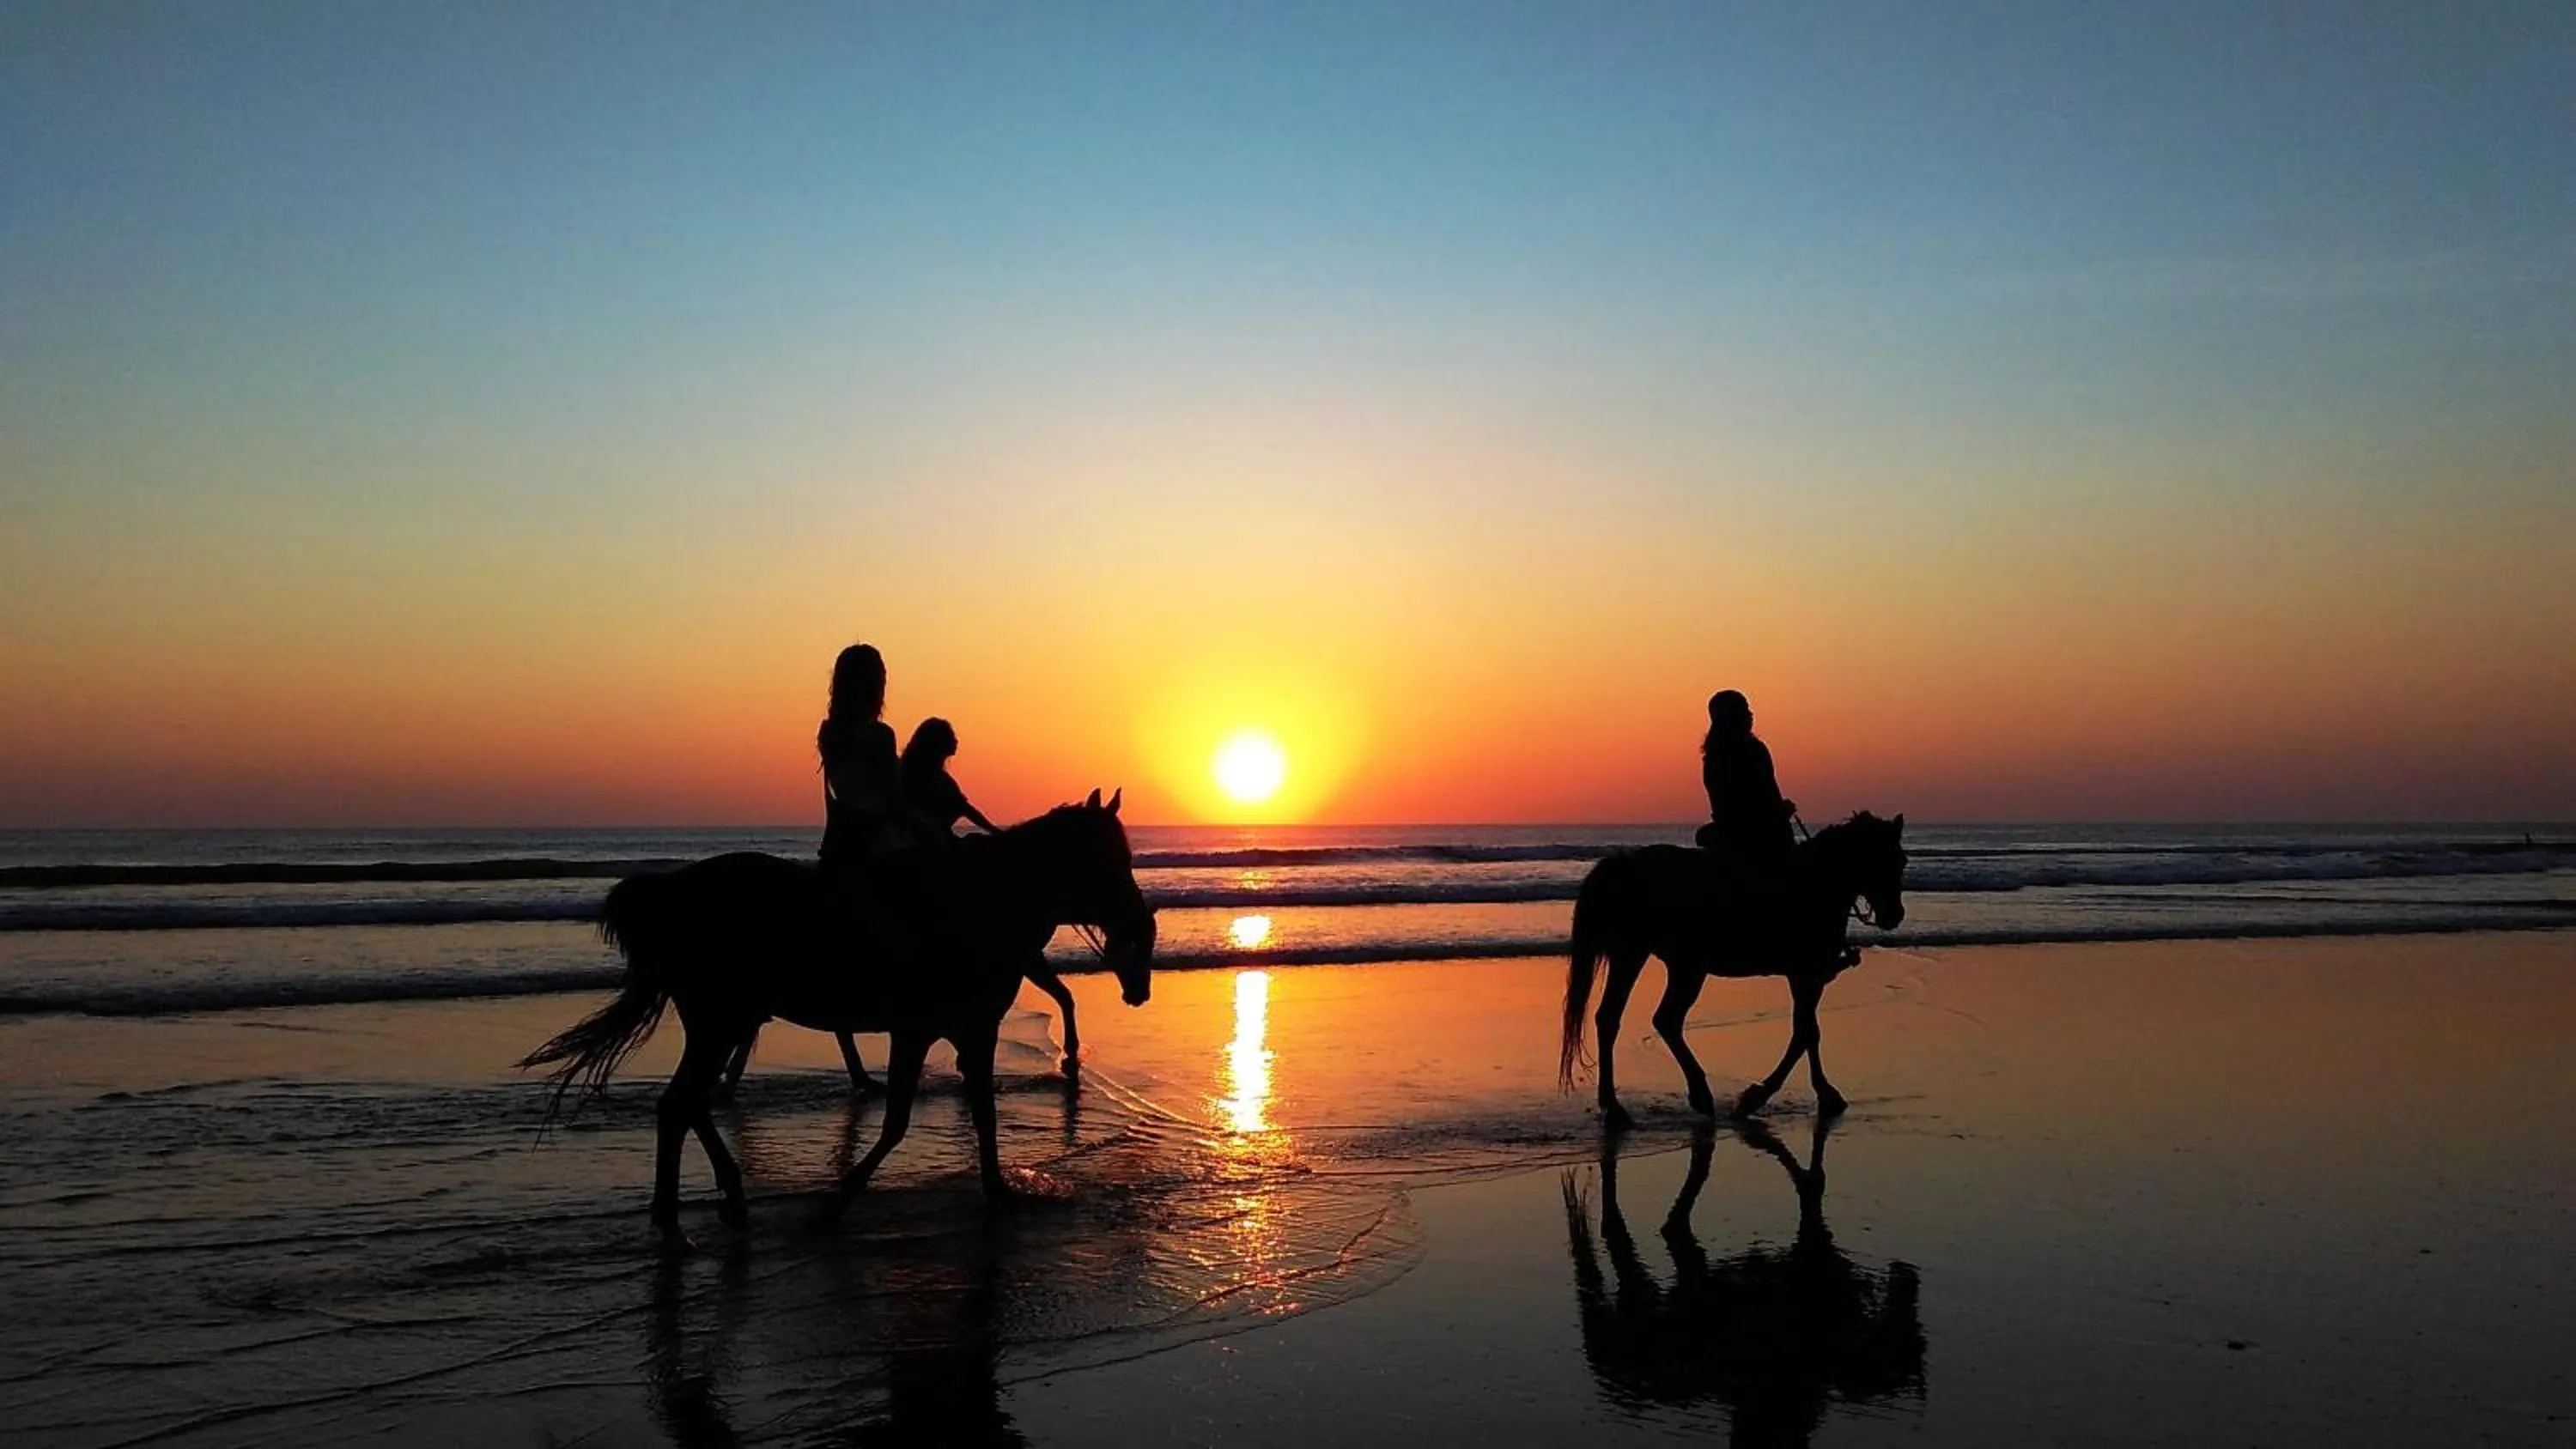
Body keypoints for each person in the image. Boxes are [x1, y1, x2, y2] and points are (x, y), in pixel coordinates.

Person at [817, 645, 908, 871]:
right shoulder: (881, 735)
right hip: (878, 850)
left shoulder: (828, 732)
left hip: (836, 848)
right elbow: (895, 802)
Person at [1694, 689, 1796, 876]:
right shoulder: (1752, 750)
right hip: (1755, 834)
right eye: (1744, 710)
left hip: (1729, 833)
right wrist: (1782, 811)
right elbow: (1763, 797)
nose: (1751, 715)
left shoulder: (1713, 755)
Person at [901, 718, 1000, 841]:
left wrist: (994, 831)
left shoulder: (940, 777)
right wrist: (995, 831)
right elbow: (965, 809)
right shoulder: (921, 775)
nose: (955, 741)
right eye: (951, 736)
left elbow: (965, 808)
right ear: (936, 742)